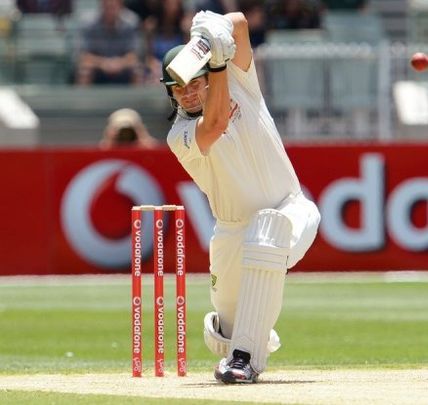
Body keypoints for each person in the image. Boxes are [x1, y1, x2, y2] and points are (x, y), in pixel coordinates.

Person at [162, 11, 321, 383]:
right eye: (178, 87)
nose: (188, 92)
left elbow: (240, 24)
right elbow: (216, 123)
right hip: (231, 235)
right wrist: (215, 62)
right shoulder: (180, 136)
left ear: (205, 76)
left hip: (292, 209)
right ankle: (242, 338)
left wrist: (205, 32)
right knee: (232, 329)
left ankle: (244, 361)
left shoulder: (240, 81)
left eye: (193, 82)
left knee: (268, 232)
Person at [75, 0, 142, 85]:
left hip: (123, 68)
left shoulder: (131, 23)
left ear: (121, 7)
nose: (110, 11)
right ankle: (82, 98)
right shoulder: (89, 24)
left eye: (113, 7)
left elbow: (134, 56)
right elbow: (84, 57)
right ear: (101, 6)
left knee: (137, 71)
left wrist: (119, 63)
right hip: (97, 68)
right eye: (107, 6)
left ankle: (137, 98)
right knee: (84, 71)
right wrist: (103, 63)